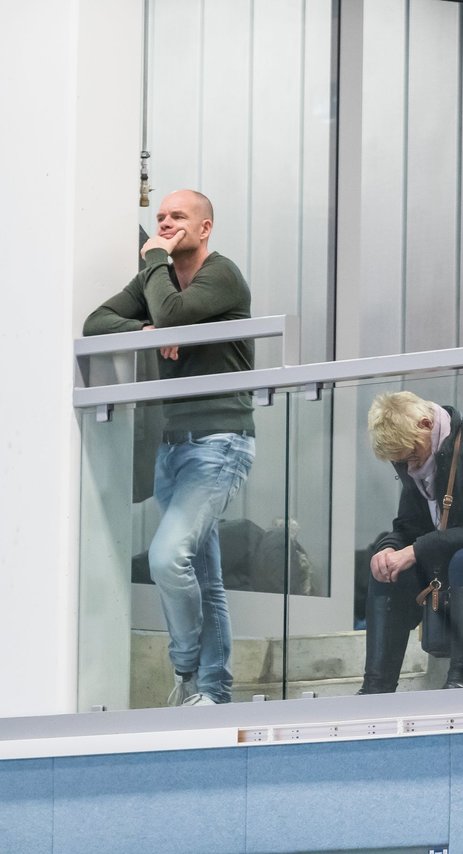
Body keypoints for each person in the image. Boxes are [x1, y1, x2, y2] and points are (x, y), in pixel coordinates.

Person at [83, 190, 255, 706]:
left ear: (205, 229)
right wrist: (147, 328)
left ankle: (184, 673)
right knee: (204, 575)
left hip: (220, 443)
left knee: (166, 557)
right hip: (172, 446)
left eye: (177, 217)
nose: (164, 224)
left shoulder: (222, 275)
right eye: (159, 218)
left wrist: (155, 261)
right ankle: (212, 690)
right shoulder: (157, 284)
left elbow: (178, 314)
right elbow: (97, 322)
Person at [361, 392, 463, 693]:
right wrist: (388, 549)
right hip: (442, 560)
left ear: (426, 424)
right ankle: (376, 688)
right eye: (400, 462)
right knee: (386, 569)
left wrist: (414, 550)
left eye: (412, 455)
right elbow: (408, 525)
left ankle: (462, 678)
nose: (410, 466)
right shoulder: (411, 458)